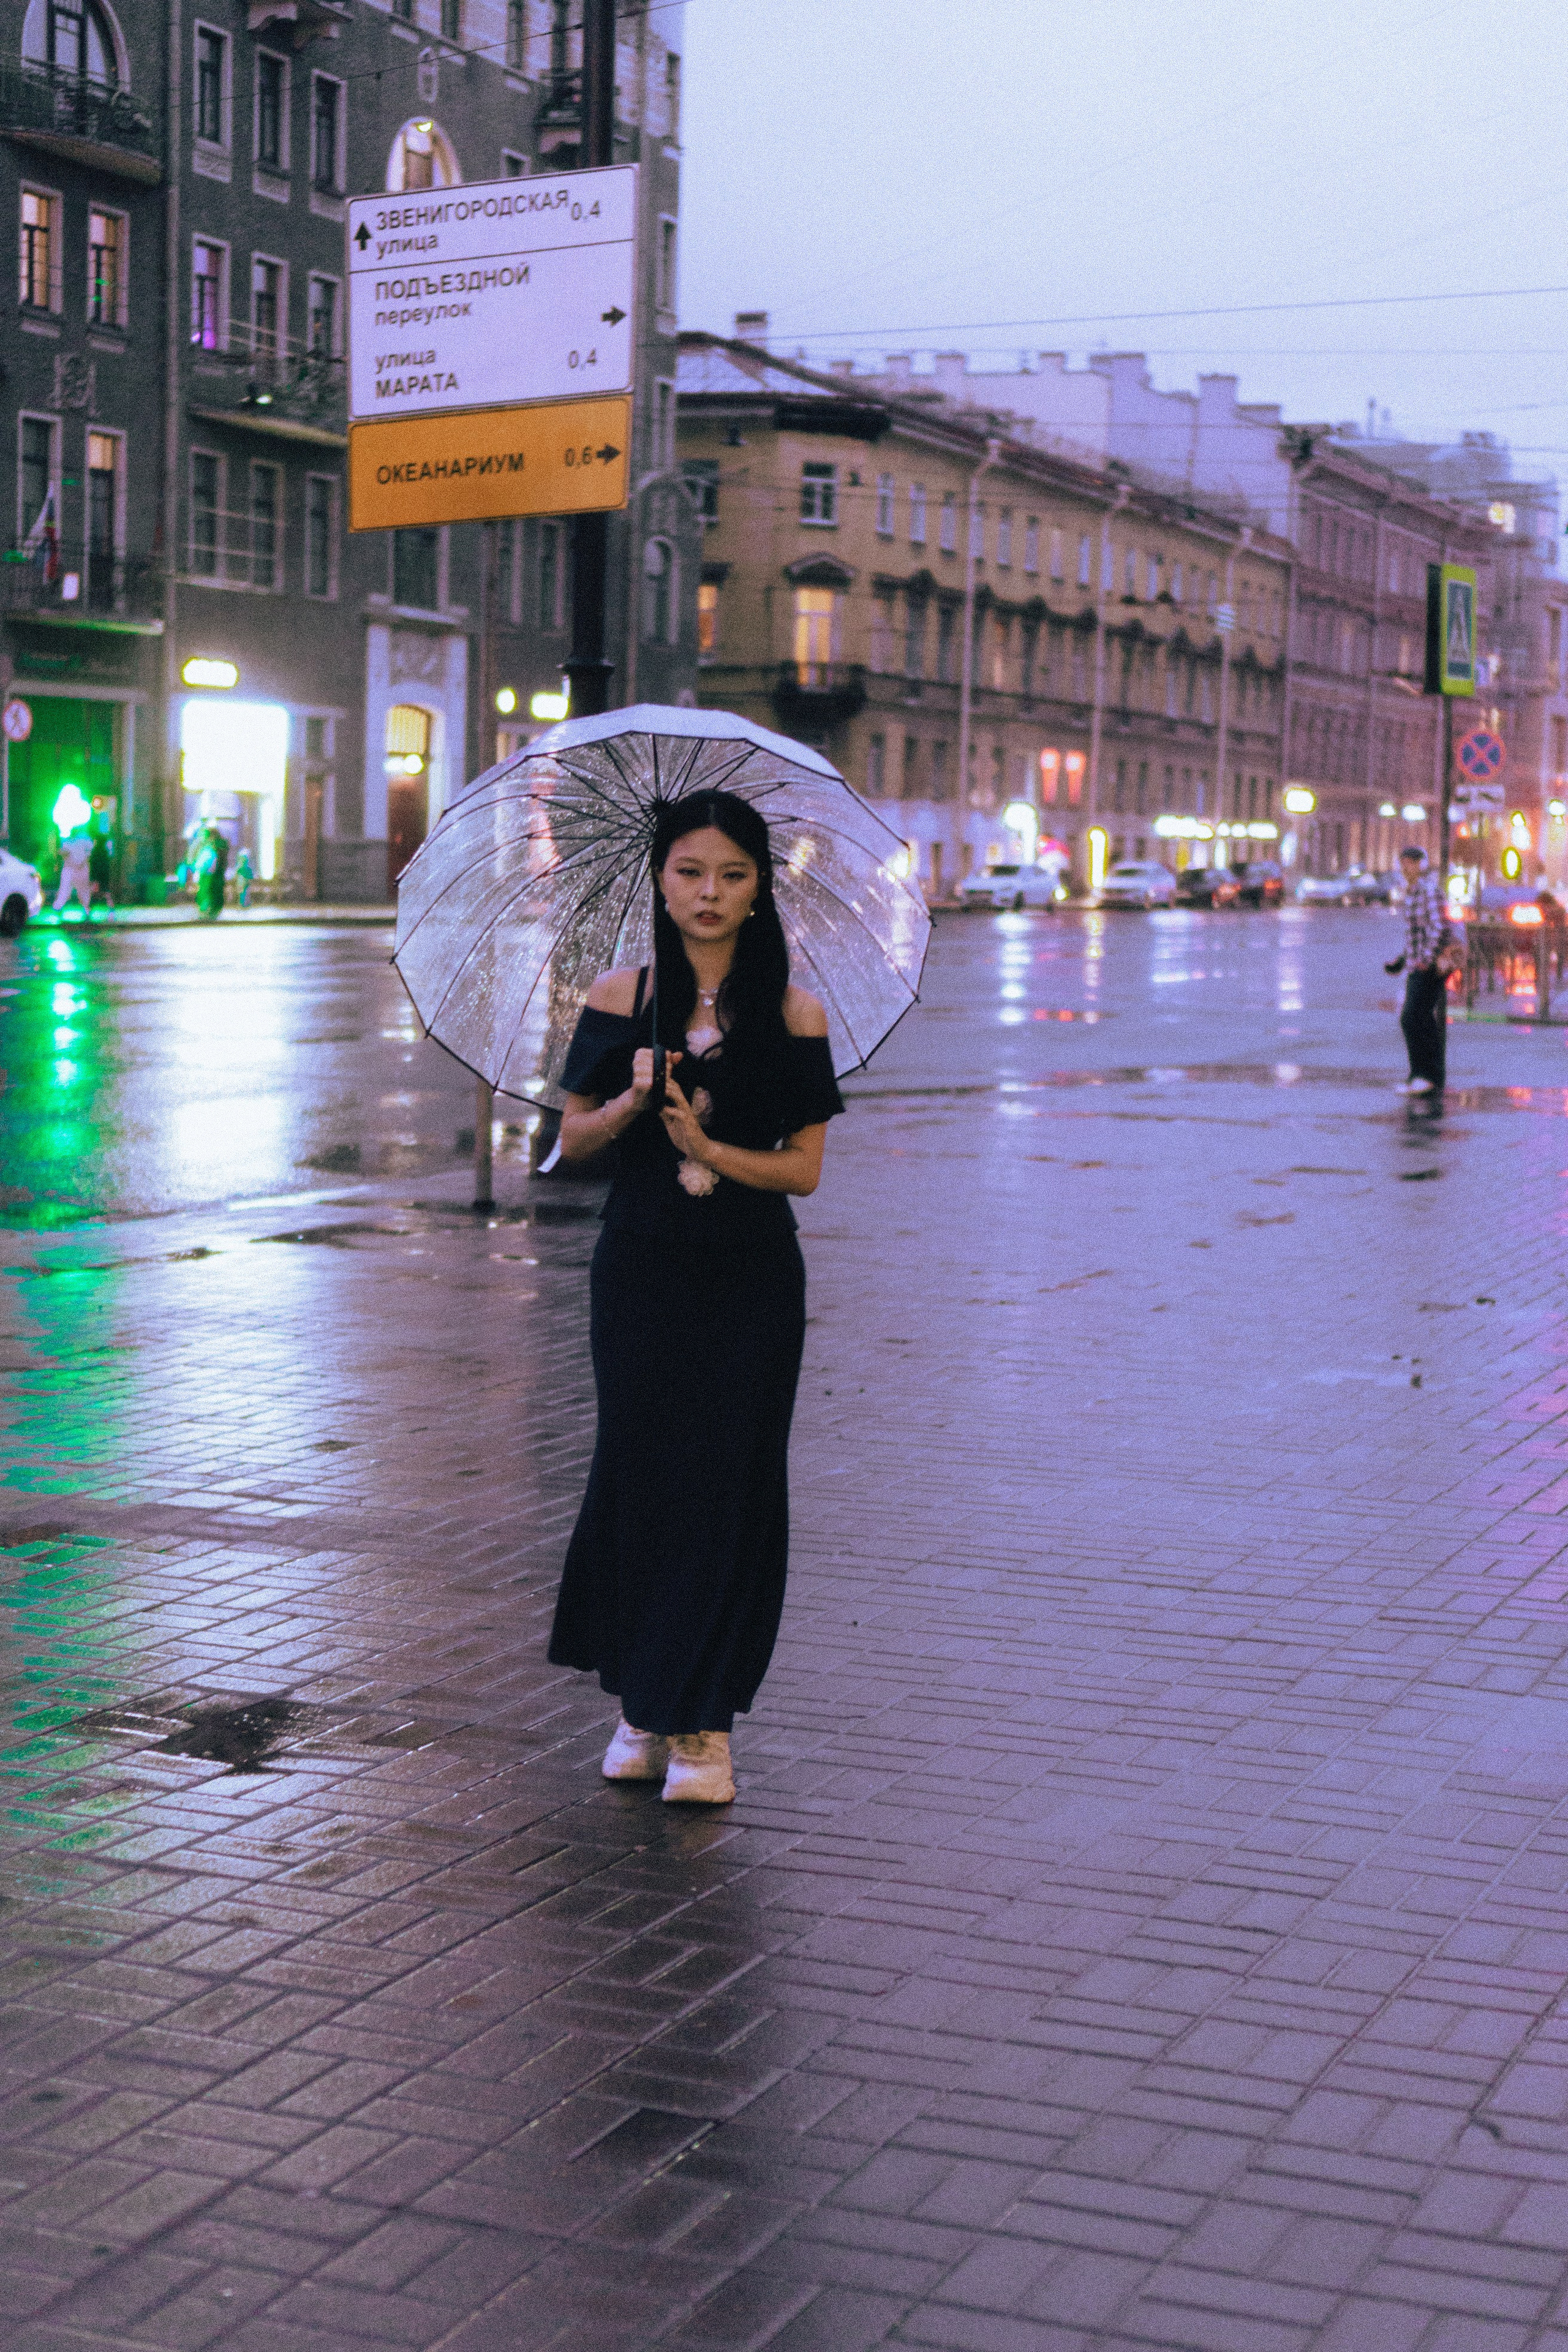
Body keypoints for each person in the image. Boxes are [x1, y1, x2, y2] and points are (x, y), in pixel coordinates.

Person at [551, 791, 844, 1804]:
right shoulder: (615, 999)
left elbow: (802, 1170)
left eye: (731, 874)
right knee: (640, 1473)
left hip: (751, 1276)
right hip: (642, 1266)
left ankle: (706, 1729)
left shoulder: (792, 1014)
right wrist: (633, 1102)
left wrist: (708, 1147)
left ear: (761, 887)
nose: (708, 894)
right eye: (689, 873)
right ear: (660, 882)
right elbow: (565, 1147)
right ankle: (640, 1705)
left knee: (730, 1484)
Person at [1385, 843, 1452, 1095]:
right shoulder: (1411, 891)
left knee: (1413, 1018)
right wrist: (1401, 962)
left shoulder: (1428, 890)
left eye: (1410, 863)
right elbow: (1416, 933)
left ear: (1420, 864)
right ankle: (1421, 1075)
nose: (1405, 868)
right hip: (1415, 965)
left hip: (1428, 967)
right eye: (1402, 863)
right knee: (1419, 1019)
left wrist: (1426, 959)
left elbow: (1437, 927)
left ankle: (1428, 1075)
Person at [194, 822, 228, 921]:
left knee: (207, 894)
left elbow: (205, 863)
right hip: (215, 875)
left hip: (209, 875)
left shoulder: (211, 848)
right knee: (213, 894)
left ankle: (207, 913)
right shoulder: (219, 846)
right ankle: (211, 912)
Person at [53, 834, 92, 917]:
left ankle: (87, 909)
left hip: (81, 869)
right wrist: (62, 852)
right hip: (69, 868)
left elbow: (89, 853)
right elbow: (63, 853)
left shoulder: (85, 839)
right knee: (65, 889)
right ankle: (58, 907)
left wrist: (83, 862)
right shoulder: (66, 841)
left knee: (83, 891)